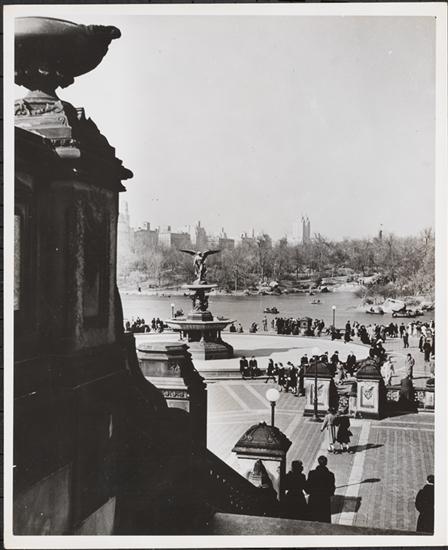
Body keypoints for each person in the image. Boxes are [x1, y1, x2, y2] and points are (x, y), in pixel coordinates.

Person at [306, 455, 336, 523]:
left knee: (311, 520)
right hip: (324, 501)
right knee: (324, 521)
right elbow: (332, 489)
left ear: (318, 462)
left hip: (313, 499)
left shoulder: (312, 473)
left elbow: (307, 487)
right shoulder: (330, 475)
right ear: (326, 463)